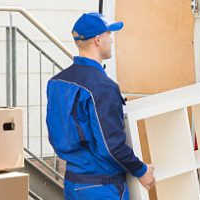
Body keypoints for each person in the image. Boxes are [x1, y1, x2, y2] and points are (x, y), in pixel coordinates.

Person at [46, 12, 155, 199]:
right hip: (102, 188)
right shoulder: (102, 87)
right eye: (109, 34)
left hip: (73, 184)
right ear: (98, 39)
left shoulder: (57, 82)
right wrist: (141, 170)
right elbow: (111, 145)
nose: (111, 40)